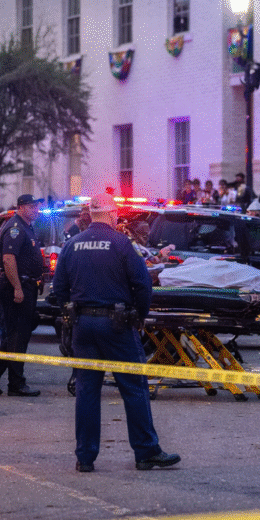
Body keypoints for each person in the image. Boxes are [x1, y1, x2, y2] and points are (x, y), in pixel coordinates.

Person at [52, 192, 181, 473]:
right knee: (133, 388)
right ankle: (146, 452)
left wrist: (71, 311)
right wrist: (139, 315)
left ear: (90, 215)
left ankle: (85, 457)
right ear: (112, 215)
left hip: (83, 327)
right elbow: (142, 285)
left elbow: (59, 288)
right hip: (117, 325)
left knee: (87, 391)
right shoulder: (121, 244)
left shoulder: (71, 245)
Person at [0, 194, 46, 397]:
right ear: (21, 207)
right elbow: (8, 259)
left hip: (25, 284)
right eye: (32, 207)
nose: (36, 210)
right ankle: (14, 383)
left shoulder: (25, 226)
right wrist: (17, 287)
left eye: (37, 207)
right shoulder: (15, 227)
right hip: (15, 286)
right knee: (17, 335)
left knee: (19, 334)